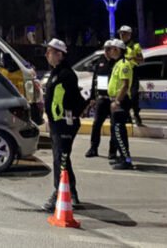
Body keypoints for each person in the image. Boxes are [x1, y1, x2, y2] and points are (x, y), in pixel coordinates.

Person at [42, 39, 86, 213]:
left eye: (50, 52)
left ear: (60, 55)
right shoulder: (56, 72)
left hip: (64, 124)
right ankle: (71, 192)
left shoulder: (66, 74)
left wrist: (68, 116)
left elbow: (70, 100)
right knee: (63, 158)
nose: (47, 55)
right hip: (57, 124)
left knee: (60, 159)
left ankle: (58, 192)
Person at [84, 40, 118, 160]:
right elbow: (95, 81)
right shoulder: (100, 62)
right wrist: (93, 97)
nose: (110, 51)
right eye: (108, 49)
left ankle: (112, 151)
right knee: (96, 124)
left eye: (112, 49)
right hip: (102, 99)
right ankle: (93, 148)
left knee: (114, 126)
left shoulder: (117, 62)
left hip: (113, 99)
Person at [108, 39, 135, 170]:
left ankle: (126, 159)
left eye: (112, 48)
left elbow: (125, 85)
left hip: (121, 101)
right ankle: (123, 157)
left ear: (118, 50)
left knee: (118, 131)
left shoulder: (124, 64)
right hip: (117, 100)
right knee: (116, 131)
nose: (110, 51)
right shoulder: (118, 63)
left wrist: (117, 101)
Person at [118, 25, 144, 126]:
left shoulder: (135, 46)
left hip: (132, 72)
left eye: (123, 33)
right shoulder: (118, 46)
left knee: (133, 96)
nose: (121, 35)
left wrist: (132, 58)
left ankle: (136, 114)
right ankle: (127, 116)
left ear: (129, 34)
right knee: (123, 95)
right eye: (120, 33)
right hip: (121, 73)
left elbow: (141, 60)